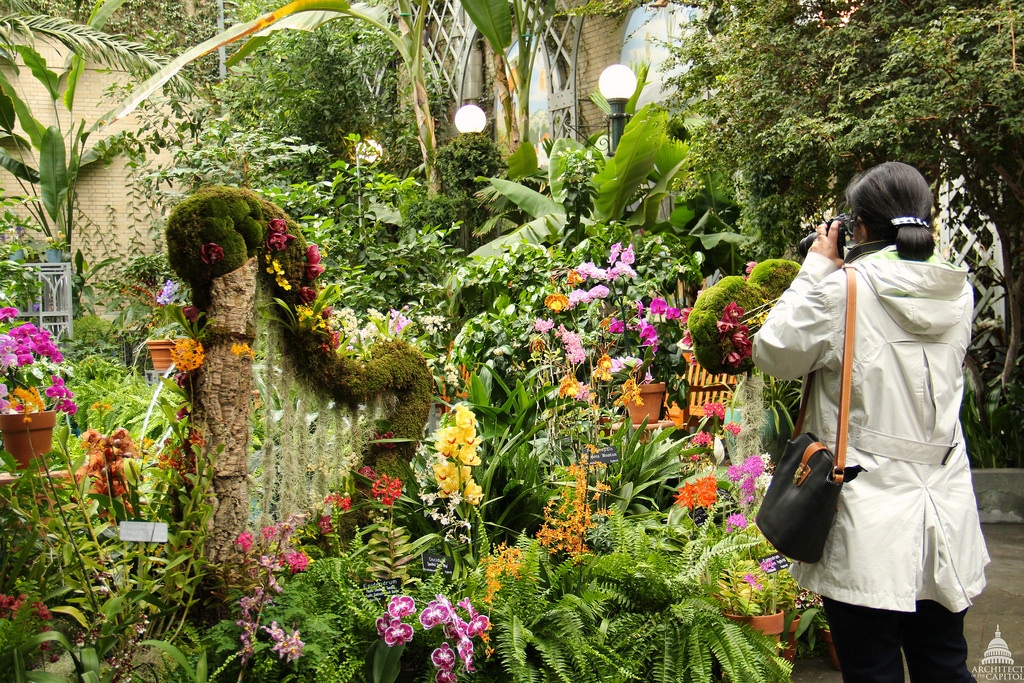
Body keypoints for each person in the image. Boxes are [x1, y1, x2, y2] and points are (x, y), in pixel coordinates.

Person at [752, 161, 989, 682]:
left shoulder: (843, 291)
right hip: (943, 513)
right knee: (945, 662)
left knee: (871, 670)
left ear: (857, 229)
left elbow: (772, 352)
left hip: (867, 519)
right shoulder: (958, 290)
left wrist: (816, 268)